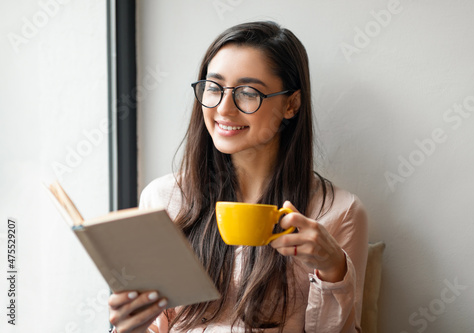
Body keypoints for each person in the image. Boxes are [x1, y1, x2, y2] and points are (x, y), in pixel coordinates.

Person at [108, 21, 368, 333]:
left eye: (247, 93)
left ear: (291, 104)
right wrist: (128, 327)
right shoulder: (164, 198)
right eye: (214, 88)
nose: (224, 109)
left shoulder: (337, 212)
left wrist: (332, 268)